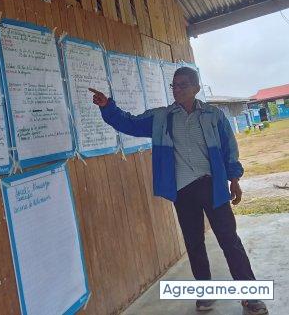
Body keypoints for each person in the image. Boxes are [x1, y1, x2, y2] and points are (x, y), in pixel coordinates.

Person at [89, 66, 268, 315]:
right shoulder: (162, 117)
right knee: (194, 243)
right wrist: (107, 106)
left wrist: (234, 179)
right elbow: (129, 123)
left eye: (183, 85)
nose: (177, 89)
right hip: (183, 190)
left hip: (213, 187)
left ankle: (251, 295)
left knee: (229, 240)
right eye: (174, 85)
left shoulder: (213, 115)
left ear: (196, 88)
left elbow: (229, 148)